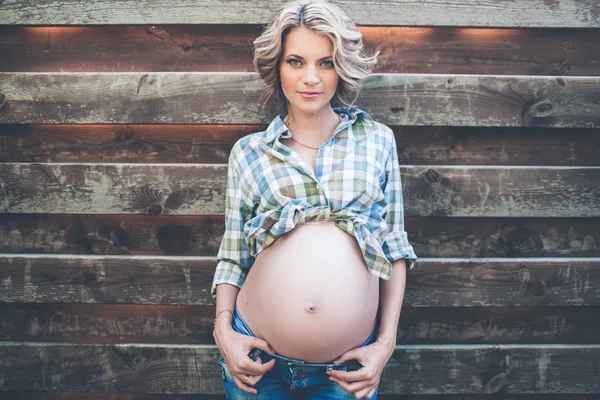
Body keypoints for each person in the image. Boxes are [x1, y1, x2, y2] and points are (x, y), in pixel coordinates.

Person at [211, 0, 418, 398]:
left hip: (346, 368)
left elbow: (393, 246)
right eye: (296, 61)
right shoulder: (250, 152)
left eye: (326, 63)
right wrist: (223, 332)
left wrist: (384, 344)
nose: (311, 78)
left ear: (342, 68)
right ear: (278, 67)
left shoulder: (377, 141)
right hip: (255, 359)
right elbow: (234, 251)